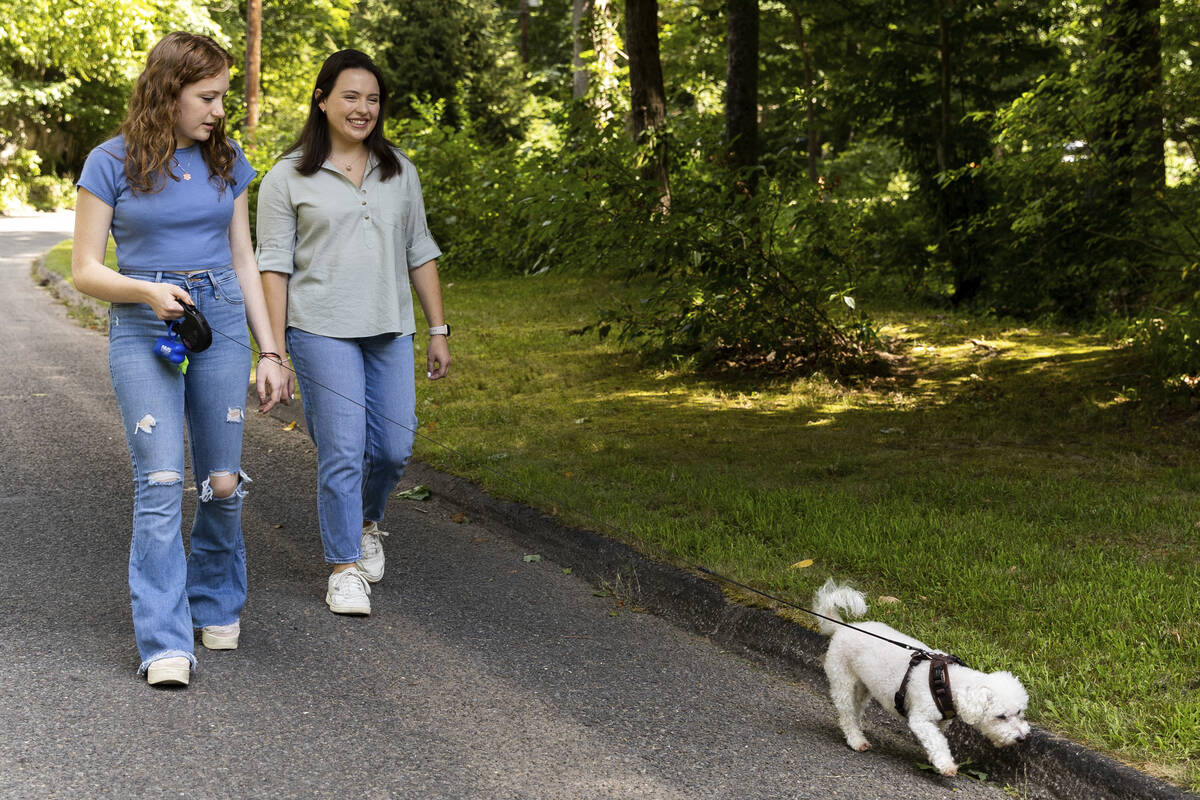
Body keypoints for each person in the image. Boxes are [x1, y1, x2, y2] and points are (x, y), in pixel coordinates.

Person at [72, 32, 288, 687]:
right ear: (169, 92)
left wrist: (271, 349)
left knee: (223, 482)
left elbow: (245, 261)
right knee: (162, 481)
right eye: (208, 96)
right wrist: (144, 290)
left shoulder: (228, 161)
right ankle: (165, 639)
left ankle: (215, 600)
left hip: (218, 313)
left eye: (222, 96)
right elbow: (83, 271)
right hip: (145, 323)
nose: (220, 110)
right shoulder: (110, 163)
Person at [255, 49, 450, 617]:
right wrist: (275, 348)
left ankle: (366, 524)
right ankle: (343, 567)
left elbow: (420, 250)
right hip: (319, 329)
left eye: (372, 99)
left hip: (390, 327)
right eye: (350, 96)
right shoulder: (287, 176)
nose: (363, 108)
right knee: (342, 448)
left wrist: (437, 328)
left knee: (392, 447)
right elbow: (274, 264)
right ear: (322, 100)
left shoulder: (398, 170)